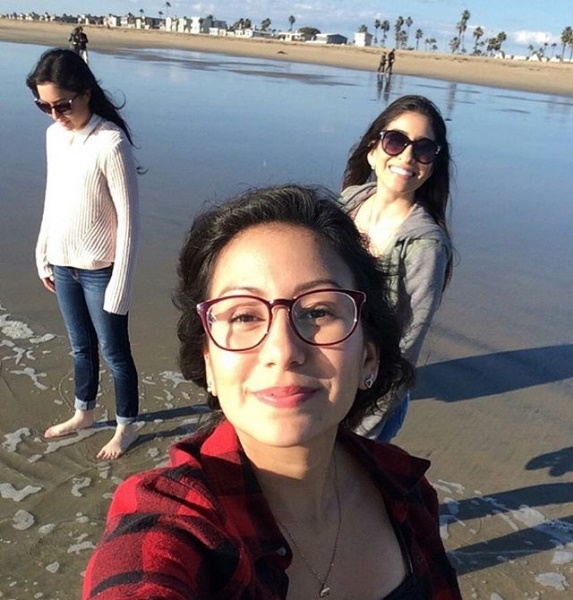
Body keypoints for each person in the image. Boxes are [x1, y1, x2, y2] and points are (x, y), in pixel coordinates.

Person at [83, 185, 462, 598]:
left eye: (318, 311)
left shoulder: (408, 492)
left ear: (368, 358)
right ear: (209, 363)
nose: (283, 351)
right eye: (244, 316)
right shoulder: (176, 522)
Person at [26, 48, 141, 460]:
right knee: (80, 347)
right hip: (63, 263)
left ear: (86, 93)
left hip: (100, 271)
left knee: (114, 353)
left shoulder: (111, 143)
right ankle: (84, 412)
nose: (55, 114)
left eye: (62, 105)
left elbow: (130, 221)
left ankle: (126, 425)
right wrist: (43, 251)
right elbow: (53, 198)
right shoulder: (54, 137)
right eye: (45, 106)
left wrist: (120, 286)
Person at [340, 95, 453, 441]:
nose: (407, 156)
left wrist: (362, 430)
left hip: (372, 403)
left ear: (431, 166)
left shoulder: (425, 247)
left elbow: (405, 348)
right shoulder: (347, 203)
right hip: (331, 380)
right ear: (373, 151)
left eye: (423, 149)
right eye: (395, 141)